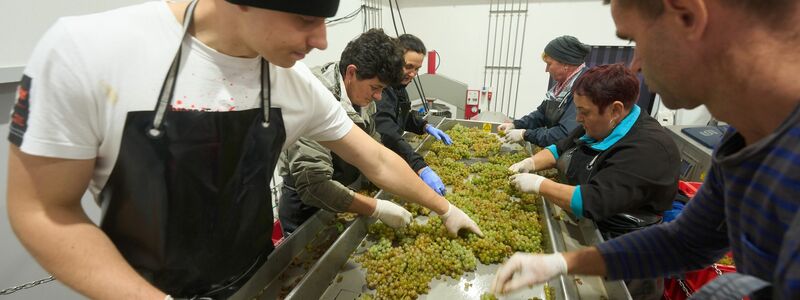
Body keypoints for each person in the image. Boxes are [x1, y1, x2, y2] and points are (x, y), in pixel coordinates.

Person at [5, 1, 483, 299]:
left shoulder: (292, 86)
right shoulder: (87, 52)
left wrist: (444, 208)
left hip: (257, 281)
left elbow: (375, 158)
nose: (320, 40)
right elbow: (43, 210)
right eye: (305, 18)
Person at [492, 0, 800, 299]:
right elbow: (685, 243)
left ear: (688, 16)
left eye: (636, 40)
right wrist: (563, 263)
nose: (636, 64)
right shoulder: (747, 138)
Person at [507, 64, 680, 299]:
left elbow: (591, 200)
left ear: (615, 110)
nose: (578, 118)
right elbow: (560, 148)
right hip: (593, 235)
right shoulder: (602, 125)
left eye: (584, 112)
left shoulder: (649, 149)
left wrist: (539, 185)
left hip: (627, 258)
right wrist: (531, 163)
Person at [278, 29, 413, 235]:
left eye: (382, 90)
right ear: (351, 73)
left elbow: (372, 144)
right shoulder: (314, 95)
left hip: (346, 193)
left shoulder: (361, 93)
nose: (378, 97)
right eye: (375, 88)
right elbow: (314, 186)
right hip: (308, 209)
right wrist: (377, 208)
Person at [373, 34, 450, 196]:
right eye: (409, 67)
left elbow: (403, 114)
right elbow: (388, 133)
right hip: (378, 162)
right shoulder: (381, 90)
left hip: (391, 159)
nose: (413, 74)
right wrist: (420, 167)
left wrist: (425, 126)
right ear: (394, 60)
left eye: (417, 69)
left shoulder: (399, 87)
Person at [498, 35, 589, 147]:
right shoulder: (561, 87)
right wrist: (515, 124)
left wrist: (525, 134)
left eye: (549, 64)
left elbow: (565, 133)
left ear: (565, 64)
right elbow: (541, 114)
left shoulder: (584, 87)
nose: (546, 70)